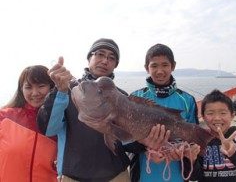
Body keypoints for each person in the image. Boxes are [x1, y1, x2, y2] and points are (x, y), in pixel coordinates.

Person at [37, 38, 165, 182]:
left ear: (115, 65)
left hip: (117, 176)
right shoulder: (66, 90)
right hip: (73, 176)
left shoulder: (122, 97)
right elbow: (48, 129)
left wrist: (148, 143)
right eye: (100, 54)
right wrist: (59, 91)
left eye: (111, 58)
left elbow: (127, 140)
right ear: (89, 58)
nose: (105, 61)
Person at [129, 43, 200, 182]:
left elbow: (194, 138)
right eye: (154, 66)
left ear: (173, 66)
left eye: (165, 65)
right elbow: (125, 140)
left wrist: (185, 151)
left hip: (178, 176)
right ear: (146, 68)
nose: (160, 71)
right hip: (144, 175)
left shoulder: (187, 100)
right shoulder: (134, 98)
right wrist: (146, 148)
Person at [0, 65, 57, 182]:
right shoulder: (4, 117)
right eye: (28, 87)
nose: (35, 93)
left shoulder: (60, 121)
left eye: (41, 86)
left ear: (51, 87)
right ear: (21, 89)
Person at [189, 89, 236, 182]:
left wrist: (235, 153)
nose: (217, 118)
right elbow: (195, 177)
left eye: (223, 113)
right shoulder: (199, 141)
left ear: (232, 115)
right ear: (203, 117)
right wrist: (191, 160)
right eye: (210, 113)